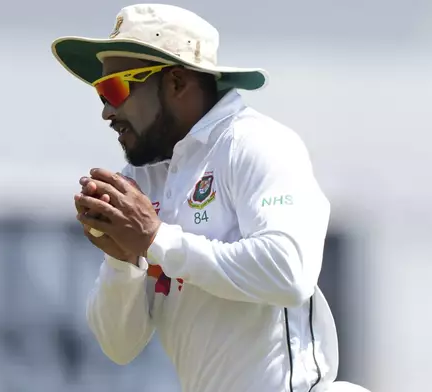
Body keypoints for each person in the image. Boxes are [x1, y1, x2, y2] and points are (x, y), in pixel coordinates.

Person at [51, 4, 370, 392]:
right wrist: (124, 262)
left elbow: (290, 274)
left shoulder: (255, 143)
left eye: (116, 88)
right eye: (101, 92)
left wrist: (155, 239)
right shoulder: (139, 179)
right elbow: (119, 346)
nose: (106, 110)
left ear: (177, 82)